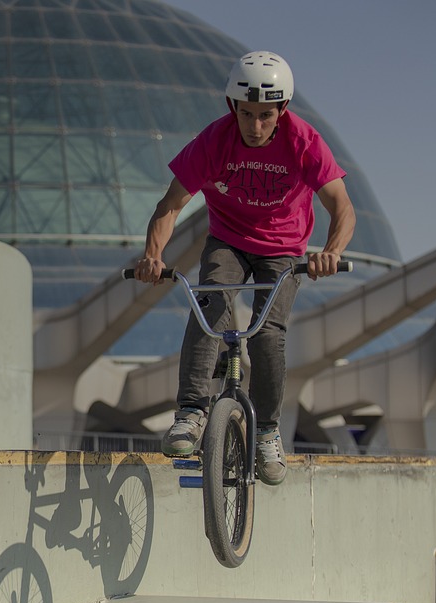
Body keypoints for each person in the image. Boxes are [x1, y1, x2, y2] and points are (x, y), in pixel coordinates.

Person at [134, 51, 355, 486]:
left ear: (282, 111)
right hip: (228, 241)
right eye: (247, 115)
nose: (255, 127)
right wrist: (153, 256)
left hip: (284, 249)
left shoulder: (304, 142)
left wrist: (330, 251)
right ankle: (192, 412)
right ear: (233, 107)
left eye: (265, 116)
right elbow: (170, 205)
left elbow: (342, 206)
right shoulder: (214, 141)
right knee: (209, 306)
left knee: (269, 332)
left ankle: (267, 432)